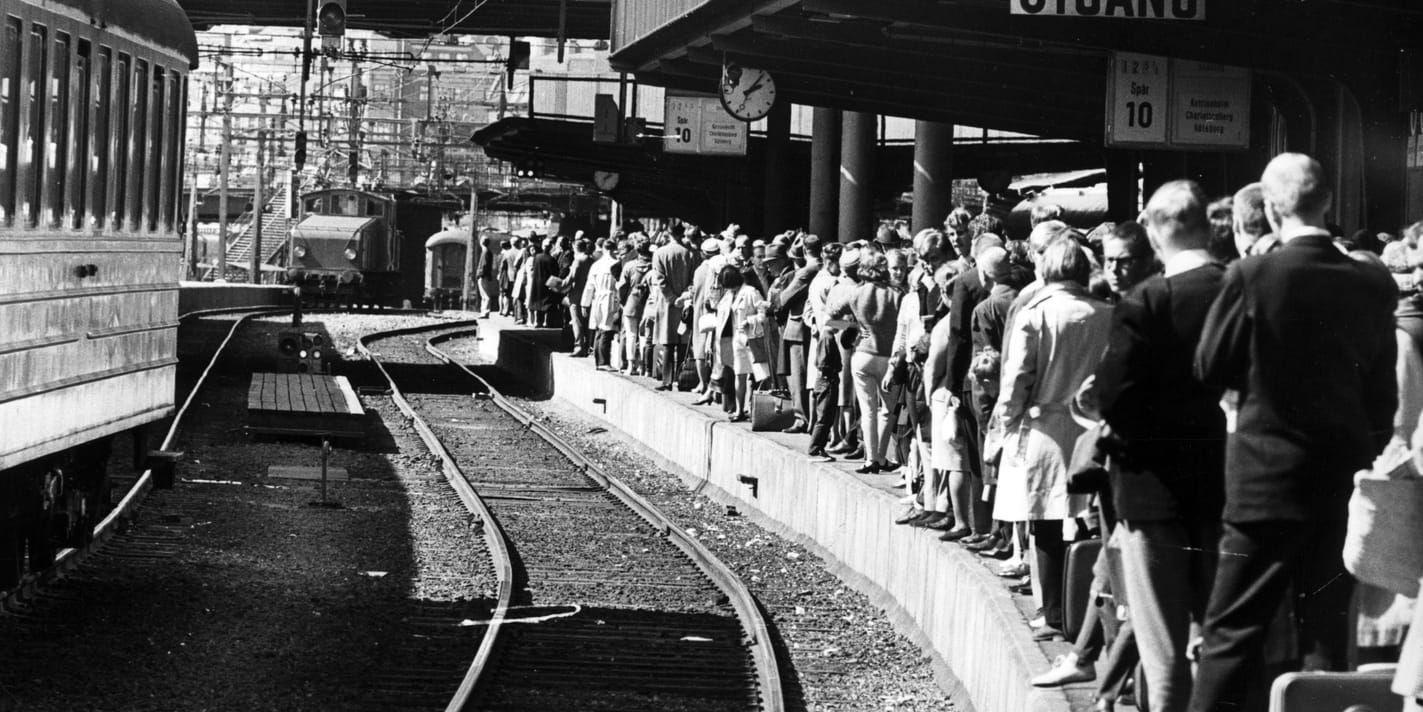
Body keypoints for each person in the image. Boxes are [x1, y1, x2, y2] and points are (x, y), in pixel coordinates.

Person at [1190, 153, 1398, 712]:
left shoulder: (1253, 275)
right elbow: (1384, 393)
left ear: (1273, 208)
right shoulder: (1372, 281)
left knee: (1231, 629)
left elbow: (1210, 365)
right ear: (1327, 200)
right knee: (1325, 629)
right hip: (1341, 480)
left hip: (1262, 481)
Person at [1092, 180, 1228, 712]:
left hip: (1152, 492)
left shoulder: (1147, 301)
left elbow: (1113, 398)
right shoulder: (1238, 286)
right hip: (1222, 488)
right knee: (1214, 633)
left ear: (1152, 230)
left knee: (1162, 645)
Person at [991, 239, 1113, 641]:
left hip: (1045, 425)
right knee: (1084, 519)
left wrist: (1006, 423)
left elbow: (1017, 378)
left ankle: (1054, 612)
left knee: (1043, 518)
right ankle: (1083, 611)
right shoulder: (1107, 314)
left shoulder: (1036, 315)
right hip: (1093, 428)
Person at [827, 250, 903, 474]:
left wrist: (852, 327)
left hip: (863, 354)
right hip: (889, 357)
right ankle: (880, 456)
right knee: (887, 410)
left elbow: (830, 318)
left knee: (867, 409)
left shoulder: (855, 293)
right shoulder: (897, 294)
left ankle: (870, 458)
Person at [770, 235, 823, 431]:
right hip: (813, 329)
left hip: (798, 328)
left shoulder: (806, 272)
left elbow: (783, 299)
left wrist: (775, 293)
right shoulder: (823, 268)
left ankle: (801, 418)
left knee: (798, 376)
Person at [713, 264, 767, 421]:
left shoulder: (750, 292)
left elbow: (763, 313)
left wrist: (750, 321)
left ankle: (754, 409)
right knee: (739, 374)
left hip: (752, 339)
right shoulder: (728, 295)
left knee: (759, 375)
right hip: (735, 340)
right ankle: (739, 409)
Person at [649, 230, 696, 390]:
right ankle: (681, 379)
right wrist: (683, 296)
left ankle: (667, 380)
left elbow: (660, 280)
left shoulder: (659, 254)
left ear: (668, 236)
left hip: (666, 304)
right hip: (685, 303)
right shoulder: (689, 254)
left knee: (668, 343)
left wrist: (672, 298)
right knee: (683, 342)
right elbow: (692, 280)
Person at [582, 238, 623, 370]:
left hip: (597, 298)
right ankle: (604, 361)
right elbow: (619, 285)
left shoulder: (596, 265)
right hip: (610, 297)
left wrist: (585, 304)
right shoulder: (617, 264)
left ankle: (598, 360)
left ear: (604, 248)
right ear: (614, 248)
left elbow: (589, 286)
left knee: (599, 329)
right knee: (607, 329)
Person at [618, 240, 653, 376]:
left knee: (631, 335)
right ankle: (643, 367)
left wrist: (622, 301)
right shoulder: (653, 266)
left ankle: (630, 365)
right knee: (644, 336)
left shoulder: (629, 265)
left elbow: (621, 286)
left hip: (632, 302)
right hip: (648, 303)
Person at [565, 238, 595, 356]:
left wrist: (556, 284)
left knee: (577, 321)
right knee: (587, 320)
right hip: (588, 294)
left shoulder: (578, 260)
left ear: (574, 247)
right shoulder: (591, 259)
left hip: (576, 294)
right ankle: (588, 346)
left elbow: (570, 278)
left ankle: (579, 347)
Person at [526, 238, 561, 327]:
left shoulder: (537, 257)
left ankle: (538, 322)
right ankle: (546, 322)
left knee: (537, 303)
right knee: (547, 304)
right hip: (547, 283)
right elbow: (555, 272)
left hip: (537, 283)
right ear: (550, 248)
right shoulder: (551, 259)